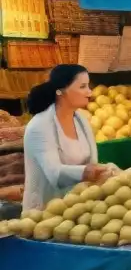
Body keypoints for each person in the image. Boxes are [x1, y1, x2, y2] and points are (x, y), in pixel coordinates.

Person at [23, 65, 115, 212]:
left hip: (76, 209)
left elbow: (91, 162)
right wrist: (85, 172)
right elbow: (55, 174)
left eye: (89, 86)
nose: (89, 92)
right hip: (43, 214)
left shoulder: (81, 120)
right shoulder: (39, 126)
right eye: (82, 87)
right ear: (61, 90)